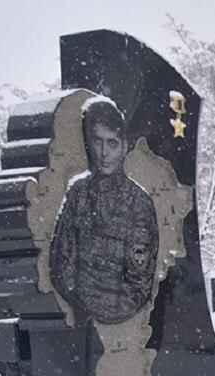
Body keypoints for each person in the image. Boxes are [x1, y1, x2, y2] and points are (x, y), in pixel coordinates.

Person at [51, 98, 159, 325]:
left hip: (120, 318)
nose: (103, 153)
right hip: (81, 315)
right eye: (97, 141)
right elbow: (62, 260)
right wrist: (81, 303)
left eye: (112, 143)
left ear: (124, 145)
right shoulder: (78, 192)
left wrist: (106, 310)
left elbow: (140, 278)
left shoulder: (139, 202)